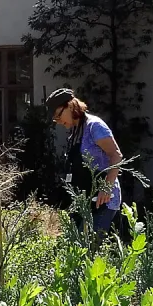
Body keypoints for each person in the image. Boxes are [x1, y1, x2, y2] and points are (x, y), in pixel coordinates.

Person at [46, 87, 125, 234]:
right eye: (55, 119)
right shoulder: (76, 130)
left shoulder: (94, 126)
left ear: (70, 106)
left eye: (58, 116)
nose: (58, 122)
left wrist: (106, 188)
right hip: (85, 202)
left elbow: (116, 155)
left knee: (93, 244)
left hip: (103, 201)